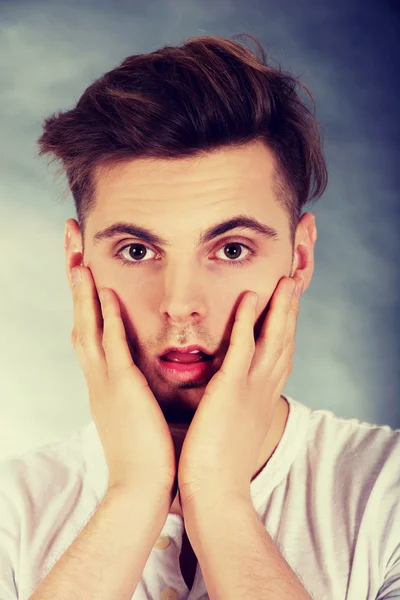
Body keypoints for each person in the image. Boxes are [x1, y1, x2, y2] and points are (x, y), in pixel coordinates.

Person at [0, 33, 398, 600]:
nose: (180, 302)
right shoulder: (10, 509)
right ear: (77, 261)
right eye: (138, 251)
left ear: (299, 258)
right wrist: (135, 493)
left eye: (231, 249)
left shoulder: (388, 493)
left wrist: (216, 495)